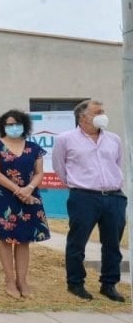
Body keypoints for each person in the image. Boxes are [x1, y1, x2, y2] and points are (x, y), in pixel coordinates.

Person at [52, 99, 127, 302]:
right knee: (77, 242)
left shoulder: (114, 139)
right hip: (84, 196)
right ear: (82, 116)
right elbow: (59, 166)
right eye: (97, 112)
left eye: (103, 111)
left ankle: (109, 284)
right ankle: (76, 283)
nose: (103, 115)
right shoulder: (65, 139)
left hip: (114, 196)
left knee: (112, 244)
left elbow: (117, 164)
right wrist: (77, 185)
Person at [0, 109, 50, 299]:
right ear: (3, 126)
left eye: (17, 123)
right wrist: (18, 190)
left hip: (29, 196)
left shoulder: (34, 148)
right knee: (5, 238)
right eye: (9, 124)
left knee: (24, 239)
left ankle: (22, 280)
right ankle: (9, 280)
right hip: (3, 196)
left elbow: (39, 173)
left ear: (24, 125)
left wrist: (28, 189)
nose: (14, 127)